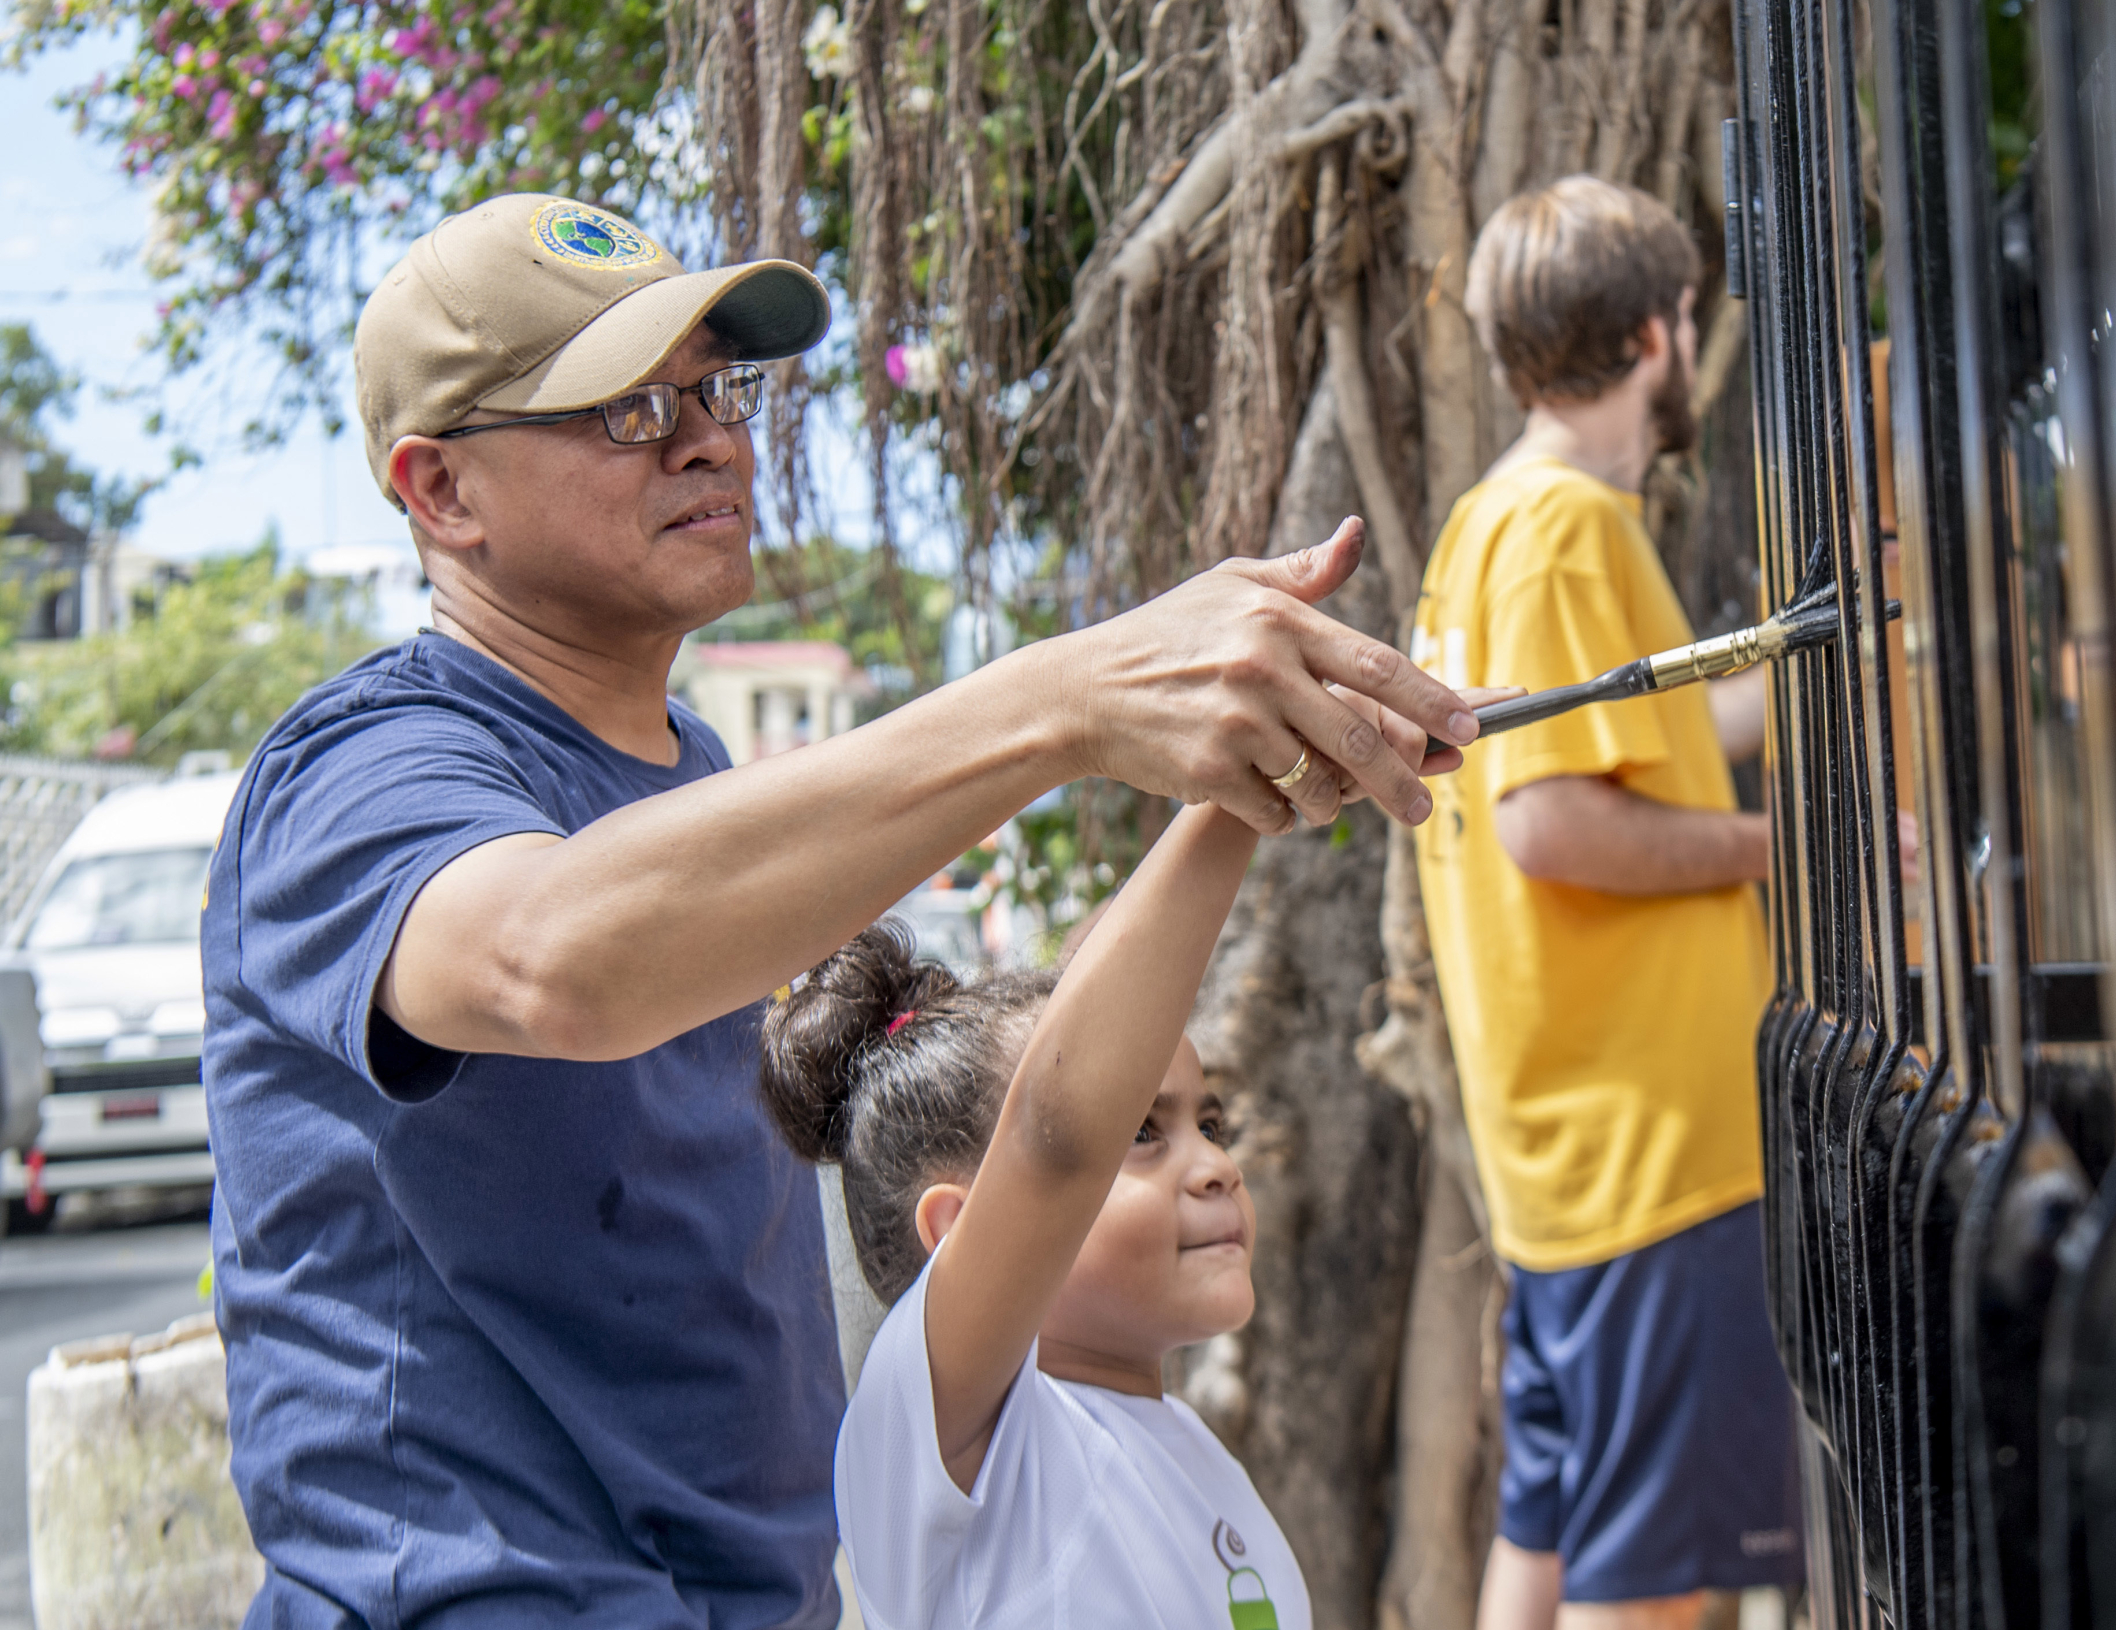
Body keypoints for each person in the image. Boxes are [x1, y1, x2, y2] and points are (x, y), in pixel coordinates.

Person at [200, 192, 1477, 1628]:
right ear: (439, 491)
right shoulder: (362, 765)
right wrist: (1061, 700)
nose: (706, 439)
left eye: (715, 387)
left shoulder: (698, 776)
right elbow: (550, 955)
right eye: (621, 412)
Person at [1411, 176, 1803, 1630]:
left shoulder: (1488, 527)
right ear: (1659, 331)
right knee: (1658, 1585)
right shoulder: (1573, 527)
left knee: (1558, 1537)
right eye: (1691, 319)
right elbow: (1556, 818)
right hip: (1654, 1146)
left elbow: (1637, 751)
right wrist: (1782, 848)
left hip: (1568, 1149)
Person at [763, 800, 1291, 1628]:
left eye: (1211, 1125)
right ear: (957, 1235)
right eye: (1140, 1131)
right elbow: (1056, 1143)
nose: (1217, 1168)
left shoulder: (1196, 1455)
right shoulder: (951, 1452)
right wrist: (1249, 792)